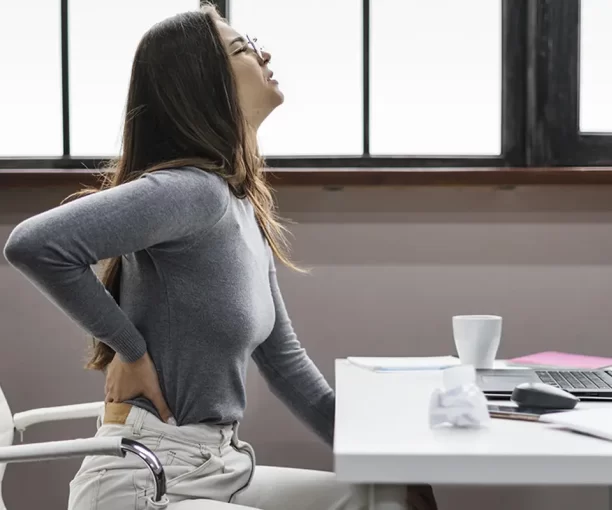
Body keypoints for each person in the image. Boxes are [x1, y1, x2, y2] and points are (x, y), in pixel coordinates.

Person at [3, 4, 438, 510]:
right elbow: (34, 244)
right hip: (144, 478)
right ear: (203, 84)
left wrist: (384, 457)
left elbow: (285, 362)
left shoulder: (237, 205)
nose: (264, 52)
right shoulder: (192, 192)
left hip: (219, 464)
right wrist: (129, 348)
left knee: (396, 497)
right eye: (242, 48)